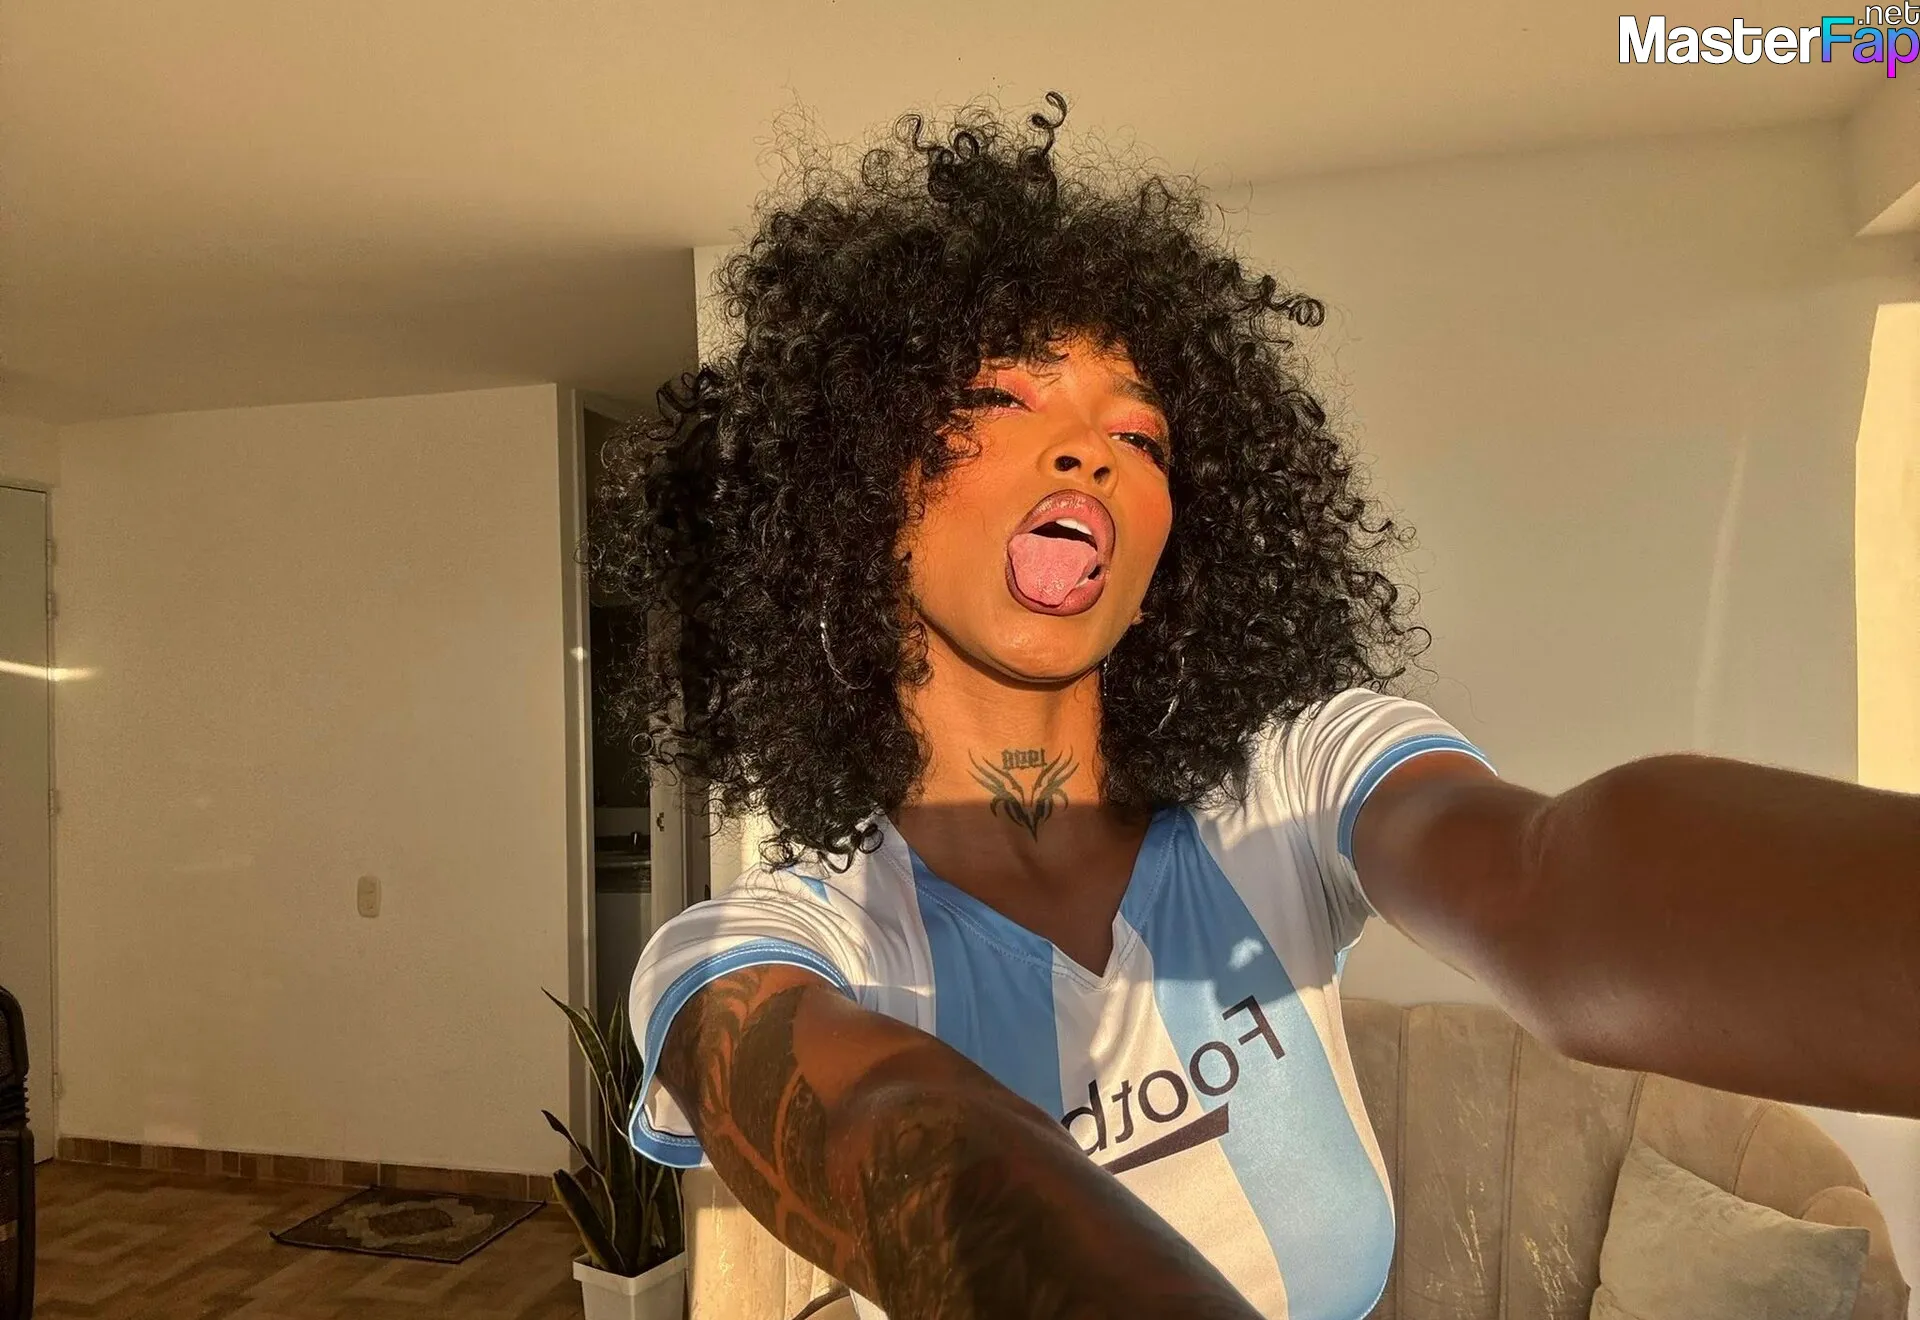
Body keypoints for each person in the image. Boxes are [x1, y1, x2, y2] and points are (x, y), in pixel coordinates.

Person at [591, 93, 1920, 1320]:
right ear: (850, 489)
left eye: (1141, 436)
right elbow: (888, 1126)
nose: (1090, 450)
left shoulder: (1291, 792)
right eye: (1000, 398)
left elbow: (1552, 882)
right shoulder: (779, 939)